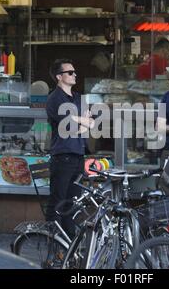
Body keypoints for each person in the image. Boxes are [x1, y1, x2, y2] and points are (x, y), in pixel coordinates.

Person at [46, 59, 94, 237]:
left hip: (78, 156)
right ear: (59, 77)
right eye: (70, 72)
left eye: (74, 72)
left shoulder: (79, 97)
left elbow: (89, 123)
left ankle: (69, 242)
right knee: (57, 201)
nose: (74, 75)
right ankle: (52, 241)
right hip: (63, 156)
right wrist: (80, 121)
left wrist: (79, 121)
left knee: (73, 202)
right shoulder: (54, 98)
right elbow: (68, 124)